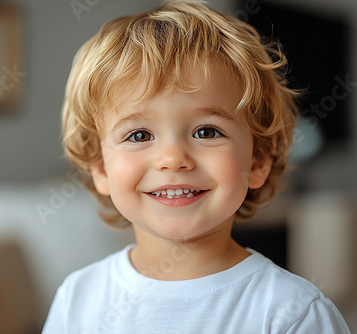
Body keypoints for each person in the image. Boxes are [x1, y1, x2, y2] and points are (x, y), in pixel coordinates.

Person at [42, 1, 351, 333]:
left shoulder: (293, 313)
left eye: (206, 132)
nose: (173, 158)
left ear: (258, 160)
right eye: (140, 134)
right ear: (100, 167)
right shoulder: (78, 298)